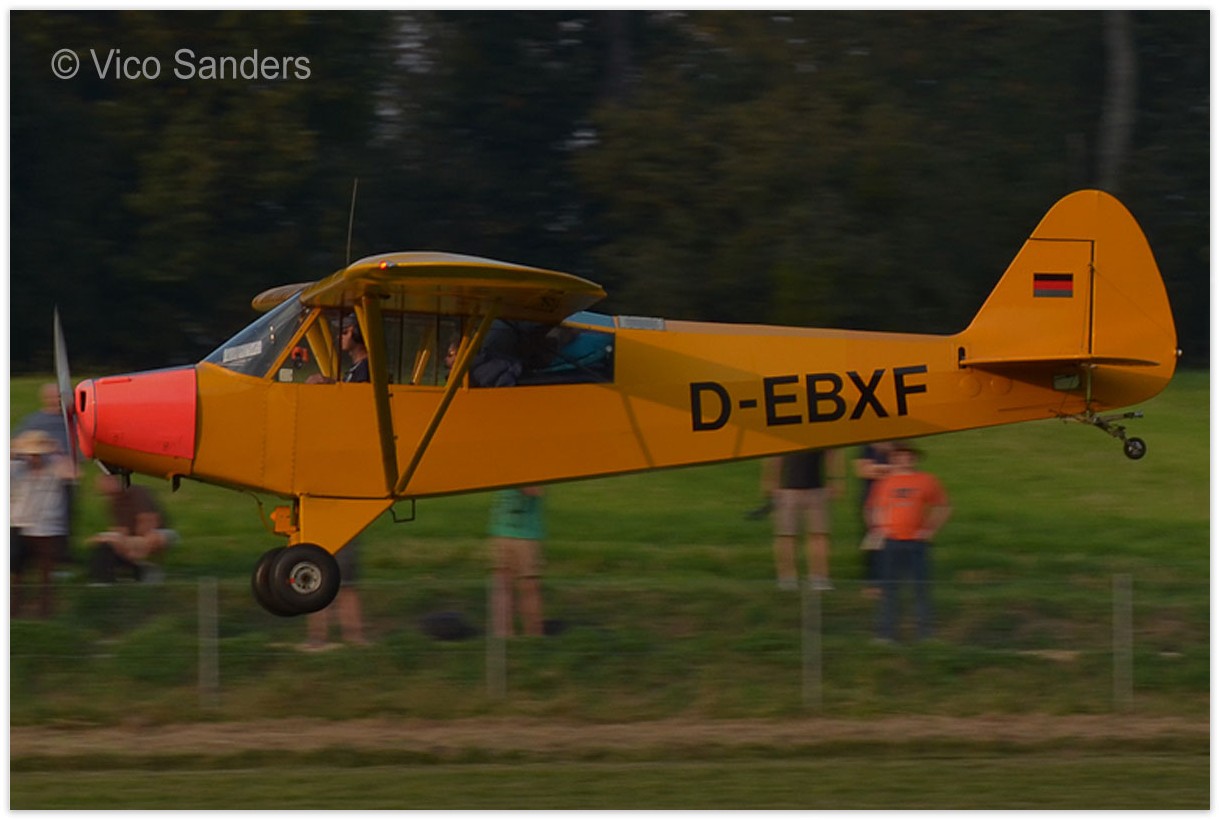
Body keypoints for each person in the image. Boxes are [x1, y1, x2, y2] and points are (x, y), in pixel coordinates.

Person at [865, 441, 951, 643]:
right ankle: (886, 634)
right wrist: (878, 529)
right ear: (893, 459)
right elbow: (872, 508)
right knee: (889, 590)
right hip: (892, 541)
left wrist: (930, 530)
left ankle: (925, 635)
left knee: (921, 589)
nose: (904, 460)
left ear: (914, 458)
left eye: (908, 456)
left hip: (916, 542)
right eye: (900, 456)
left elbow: (943, 506)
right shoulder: (884, 483)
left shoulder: (926, 480)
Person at [11, 430, 74, 617]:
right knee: (16, 572)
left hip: (48, 528)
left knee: (46, 573)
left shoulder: (56, 468)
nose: (34, 458)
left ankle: (44, 611)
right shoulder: (16, 469)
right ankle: (14, 609)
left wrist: (57, 453)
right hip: (21, 525)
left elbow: (72, 473)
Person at [763, 449, 843, 591]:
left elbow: (832, 452)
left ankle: (819, 577)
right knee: (786, 536)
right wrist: (771, 480)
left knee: (819, 535)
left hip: (816, 488)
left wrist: (834, 479)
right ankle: (787, 578)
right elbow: (775, 454)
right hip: (787, 489)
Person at [16, 383, 78, 565]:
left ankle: (62, 554)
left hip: (65, 474)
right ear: (44, 399)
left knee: (65, 516)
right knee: (37, 515)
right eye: (53, 397)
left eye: (59, 397)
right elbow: (18, 443)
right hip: (40, 473)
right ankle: (31, 555)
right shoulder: (34, 420)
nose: (56, 401)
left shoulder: (72, 421)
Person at [87, 473, 176, 583]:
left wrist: (134, 543)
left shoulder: (136, 492)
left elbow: (149, 520)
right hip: (132, 536)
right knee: (105, 543)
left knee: (151, 538)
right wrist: (118, 540)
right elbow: (120, 528)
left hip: (154, 532)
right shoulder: (113, 502)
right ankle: (109, 577)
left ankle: (143, 569)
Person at [487, 486, 546, 637]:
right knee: (503, 584)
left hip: (524, 534)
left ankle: (532, 636)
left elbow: (535, 490)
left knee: (528, 586)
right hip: (505, 531)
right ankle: (504, 636)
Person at [301, 541, 369, 651]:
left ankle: (352, 635)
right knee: (318, 588)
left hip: (340, 539)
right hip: (319, 539)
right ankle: (318, 636)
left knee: (345, 587)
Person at [854, 441, 896, 599]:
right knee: (873, 542)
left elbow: (904, 469)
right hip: (872, 501)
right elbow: (863, 471)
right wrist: (888, 470)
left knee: (892, 541)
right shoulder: (866, 447)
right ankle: (872, 582)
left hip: (895, 501)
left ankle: (890, 580)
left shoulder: (897, 444)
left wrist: (877, 469)